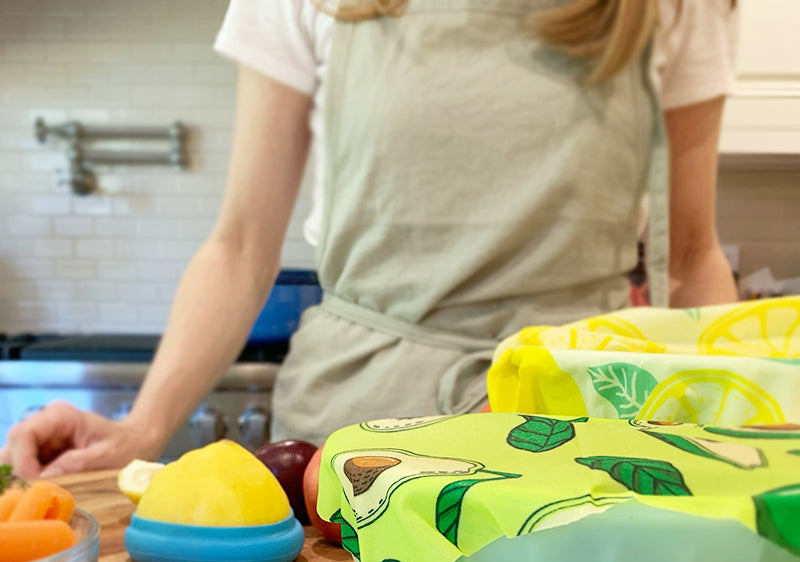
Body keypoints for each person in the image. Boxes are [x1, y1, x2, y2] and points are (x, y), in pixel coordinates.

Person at [1, 0, 739, 479]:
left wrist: (747, 445)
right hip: (346, 449)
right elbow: (240, 246)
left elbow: (692, 259)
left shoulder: (672, 7)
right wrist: (141, 429)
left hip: (574, 445)